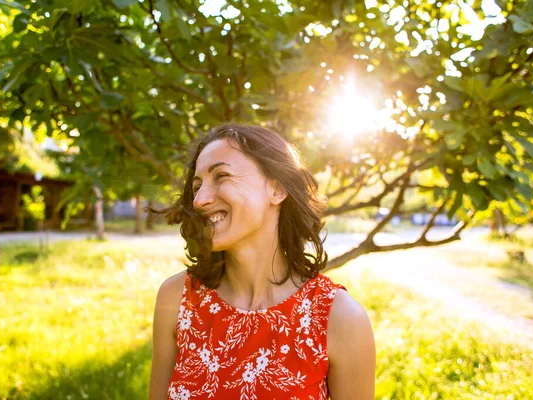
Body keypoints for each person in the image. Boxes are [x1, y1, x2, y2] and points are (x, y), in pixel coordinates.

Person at [148, 123, 375, 399]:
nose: (199, 200)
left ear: (277, 190)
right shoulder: (176, 300)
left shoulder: (340, 319)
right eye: (197, 186)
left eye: (221, 176)